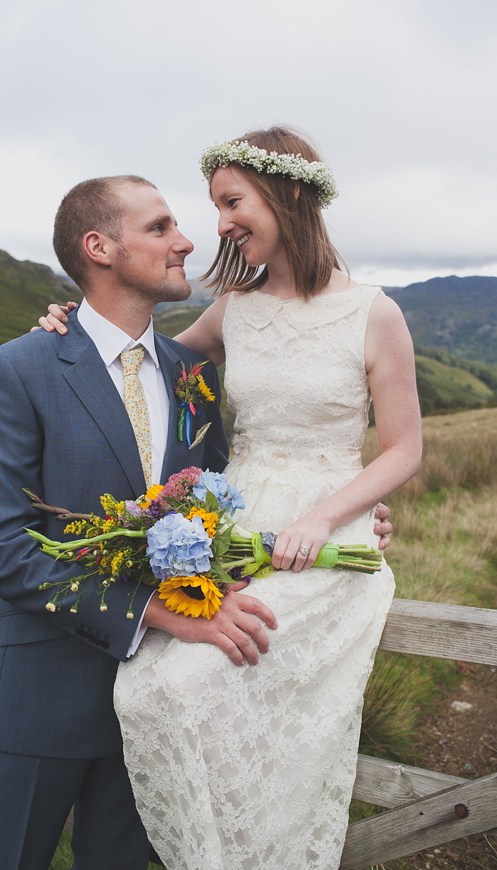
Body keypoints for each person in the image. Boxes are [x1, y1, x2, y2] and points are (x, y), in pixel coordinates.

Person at [37, 127, 419, 870]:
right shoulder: (235, 309)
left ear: (292, 193)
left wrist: (327, 514)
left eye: (231, 201)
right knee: (146, 691)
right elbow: (140, 355)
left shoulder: (376, 313)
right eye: (214, 206)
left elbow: (405, 447)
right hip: (234, 531)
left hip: (321, 541)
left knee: (194, 684)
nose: (218, 225)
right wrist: (66, 327)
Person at [0, 174, 281, 870]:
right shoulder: (17, 369)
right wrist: (158, 612)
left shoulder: (192, 371)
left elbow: (228, 495)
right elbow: (5, 551)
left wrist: (346, 523)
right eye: (160, 228)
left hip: (157, 708)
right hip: (34, 698)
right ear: (99, 247)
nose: (186, 240)